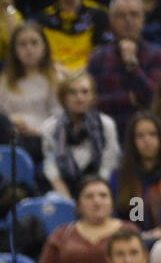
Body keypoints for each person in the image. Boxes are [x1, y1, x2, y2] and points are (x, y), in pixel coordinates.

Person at [28, 176, 131, 263]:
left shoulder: (128, 232)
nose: (97, 201)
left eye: (103, 196)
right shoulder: (62, 234)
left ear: (112, 202)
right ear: (78, 204)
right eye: (89, 197)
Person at [86, 0, 161, 140]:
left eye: (134, 14)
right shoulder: (97, 58)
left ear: (143, 19)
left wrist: (132, 64)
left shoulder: (159, 56)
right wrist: (129, 98)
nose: (128, 21)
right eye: (121, 16)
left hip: (149, 136)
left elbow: (156, 99)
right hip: (107, 134)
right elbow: (90, 102)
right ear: (111, 22)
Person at [0, 22, 63, 164]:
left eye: (34, 43)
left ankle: (19, 167)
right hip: (11, 135)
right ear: (15, 50)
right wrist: (11, 120)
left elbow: (60, 118)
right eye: (22, 44)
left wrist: (36, 129)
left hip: (42, 139)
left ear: (44, 46)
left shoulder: (57, 76)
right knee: (0, 120)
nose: (29, 49)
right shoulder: (5, 78)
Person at [39, 71, 119, 200]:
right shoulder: (49, 127)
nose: (79, 97)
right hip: (64, 190)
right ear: (63, 97)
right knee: (53, 200)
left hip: (99, 188)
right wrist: (68, 199)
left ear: (93, 96)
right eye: (72, 93)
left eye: (85, 92)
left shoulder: (106, 125)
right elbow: (51, 167)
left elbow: (108, 165)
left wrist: (92, 196)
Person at [112, 111, 161, 243]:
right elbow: (114, 219)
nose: (147, 140)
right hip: (129, 244)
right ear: (132, 141)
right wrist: (141, 235)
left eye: (152, 134)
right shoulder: (120, 177)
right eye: (140, 136)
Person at [33, 0, 109, 75]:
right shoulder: (43, 19)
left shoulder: (99, 14)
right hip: (54, 77)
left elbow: (105, 54)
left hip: (88, 79)